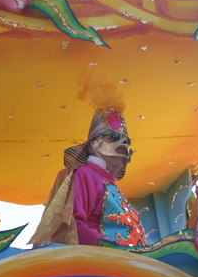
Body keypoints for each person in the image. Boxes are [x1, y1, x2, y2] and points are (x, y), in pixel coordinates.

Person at [30, 78, 148, 248]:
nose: (123, 145)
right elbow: (71, 225)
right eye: (114, 137)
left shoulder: (110, 185)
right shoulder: (84, 174)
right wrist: (114, 250)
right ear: (93, 146)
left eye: (127, 141)